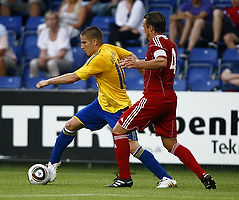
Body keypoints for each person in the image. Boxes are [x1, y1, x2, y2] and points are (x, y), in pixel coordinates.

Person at [36, 26, 178, 188]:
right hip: (101, 104)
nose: (81, 46)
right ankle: (52, 166)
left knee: (133, 148)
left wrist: (49, 81)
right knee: (70, 125)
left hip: (119, 108)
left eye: (84, 43)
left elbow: (74, 77)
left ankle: (166, 178)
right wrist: (142, 72)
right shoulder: (110, 48)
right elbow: (130, 55)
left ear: (94, 42)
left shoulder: (99, 58)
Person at [112, 11, 216, 189]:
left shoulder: (157, 41)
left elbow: (161, 61)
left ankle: (124, 178)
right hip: (168, 98)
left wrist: (138, 63)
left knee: (119, 130)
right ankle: (202, 174)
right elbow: (155, 71)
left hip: (155, 98)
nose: (143, 30)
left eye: (144, 27)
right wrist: (139, 63)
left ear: (151, 28)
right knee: (170, 143)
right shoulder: (170, 44)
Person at [30, 11, 73, 78]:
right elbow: (43, 51)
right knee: (33, 63)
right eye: (49, 19)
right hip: (48, 60)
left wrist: (46, 59)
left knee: (51, 63)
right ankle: (35, 85)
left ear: (57, 20)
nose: (51, 21)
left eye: (53, 19)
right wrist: (42, 59)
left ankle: (56, 85)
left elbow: (62, 55)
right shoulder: (44, 32)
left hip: (64, 61)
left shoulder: (63, 31)